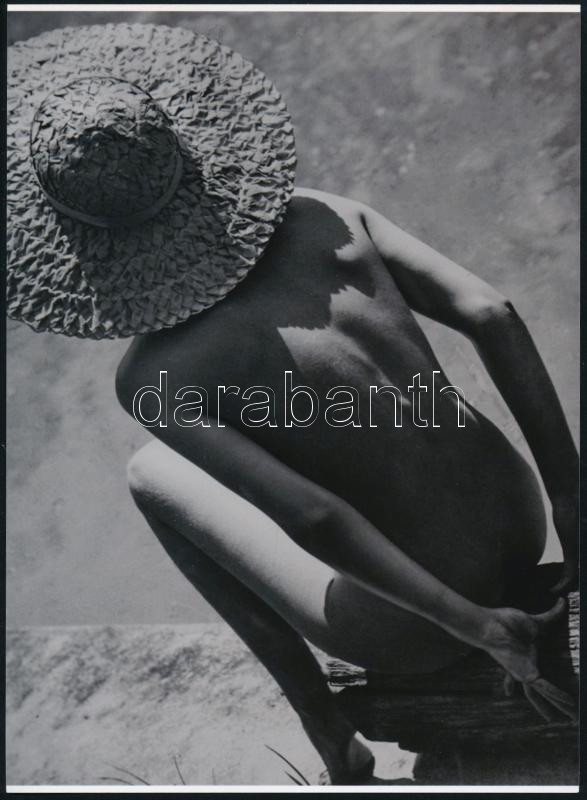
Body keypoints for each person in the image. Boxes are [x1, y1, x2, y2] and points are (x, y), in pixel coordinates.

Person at [8, 23, 578, 786]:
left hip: (414, 627)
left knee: (149, 475)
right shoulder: (321, 217)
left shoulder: (155, 373)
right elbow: (492, 314)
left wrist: (473, 626)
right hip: (518, 520)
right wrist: (569, 499)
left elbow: (314, 518)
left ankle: (328, 729)